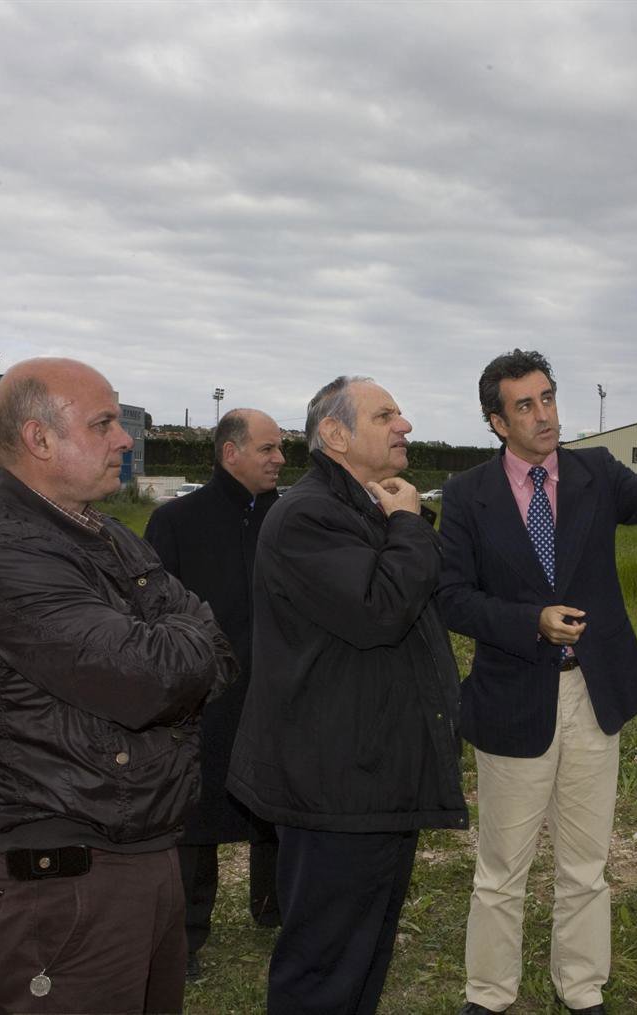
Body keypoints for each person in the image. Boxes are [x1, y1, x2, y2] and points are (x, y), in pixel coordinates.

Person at [438, 349, 637, 1015]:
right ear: (497, 422)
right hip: (513, 698)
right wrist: (531, 622)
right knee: (502, 868)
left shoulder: (595, 472)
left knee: (585, 861)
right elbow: (451, 598)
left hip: (593, 692)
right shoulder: (466, 496)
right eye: (525, 405)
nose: (544, 415)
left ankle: (581, 986)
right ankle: (489, 993)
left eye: (547, 397)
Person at [0, 358, 236, 1013]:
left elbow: (217, 651)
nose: (123, 439)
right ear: (39, 439)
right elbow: (150, 679)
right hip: (64, 880)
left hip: (136, 852)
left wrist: (179, 645)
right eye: (103, 423)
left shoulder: (100, 532)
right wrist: (180, 641)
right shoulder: (4, 554)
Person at [227, 375, 468, 1014]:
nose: (405, 425)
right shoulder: (310, 515)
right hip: (334, 784)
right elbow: (380, 609)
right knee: (325, 967)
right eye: (385, 415)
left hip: (370, 775)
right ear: (335, 434)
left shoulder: (360, 507)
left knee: (362, 956)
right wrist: (410, 523)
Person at [144, 408, 287, 980]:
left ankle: (275, 910)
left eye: (280, 448)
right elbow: (152, 612)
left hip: (278, 689)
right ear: (231, 453)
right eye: (268, 448)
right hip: (204, 695)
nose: (280, 459)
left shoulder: (289, 518)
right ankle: (185, 936)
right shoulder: (176, 521)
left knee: (278, 802)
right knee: (196, 816)